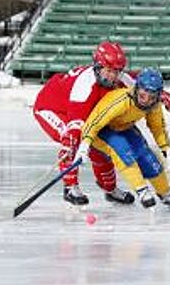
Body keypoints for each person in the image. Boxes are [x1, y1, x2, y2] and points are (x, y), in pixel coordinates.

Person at [33, 41, 136, 206]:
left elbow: (143, 89)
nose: (113, 76)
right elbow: (75, 127)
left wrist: (164, 96)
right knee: (73, 140)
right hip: (52, 107)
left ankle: (110, 189)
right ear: (97, 66)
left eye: (117, 71)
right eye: (109, 71)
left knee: (100, 147)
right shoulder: (85, 85)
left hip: (82, 109)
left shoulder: (120, 79)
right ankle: (70, 187)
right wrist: (80, 146)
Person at [73, 68, 170, 209]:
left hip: (124, 127)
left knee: (146, 155)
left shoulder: (154, 105)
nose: (146, 101)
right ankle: (141, 189)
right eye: (143, 96)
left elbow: (158, 128)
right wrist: (85, 145)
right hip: (100, 131)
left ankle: (165, 193)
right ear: (137, 89)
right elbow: (95, 122)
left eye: (152, 97)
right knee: (122, 150)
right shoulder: (121, 100)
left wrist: (167, 150)